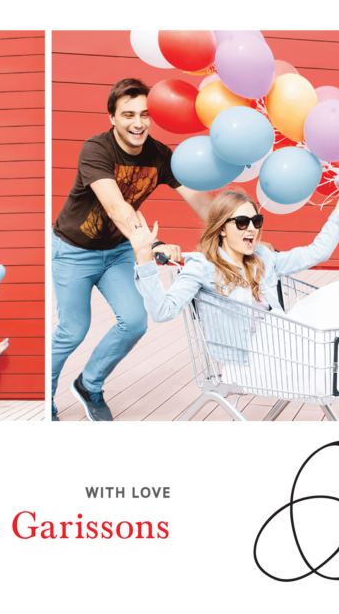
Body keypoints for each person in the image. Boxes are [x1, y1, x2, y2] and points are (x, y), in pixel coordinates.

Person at [49, 78, 274, 423]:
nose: (138, 123)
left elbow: (200, 200)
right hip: (74, 250)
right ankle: (45, 392)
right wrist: (149, 244)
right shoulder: (96, 149)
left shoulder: (159, 155)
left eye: (144, 115)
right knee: (73, 330)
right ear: (112, 117)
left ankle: (89, 384)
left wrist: (239, 228)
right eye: (128, 115)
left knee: (135, 322)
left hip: (118, 251)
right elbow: (115, 206)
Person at [127, 172, 339, 399]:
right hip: (256, 360)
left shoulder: (263, 257)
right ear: (220, 230)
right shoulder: (201, 266)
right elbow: (163, 311)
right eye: (241, 223)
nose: (252, 230)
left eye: (256, 221)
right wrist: (144, 258)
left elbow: (318, 252)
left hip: (288, 342)